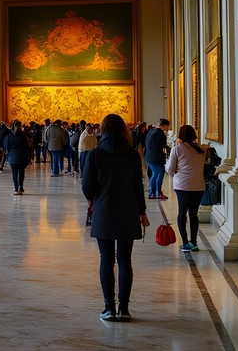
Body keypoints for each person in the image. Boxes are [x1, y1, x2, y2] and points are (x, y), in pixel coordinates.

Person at [81, 113, 149, 322]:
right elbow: (138, 186)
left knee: (106, 260)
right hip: (128, 210)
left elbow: (87, 187)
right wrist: (142, 212)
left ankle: (109, 308)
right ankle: (125, 309)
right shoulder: (131, 155)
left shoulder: (95, 154)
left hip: (104, 210)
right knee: (125, 261)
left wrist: (94, 198)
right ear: (123, 130)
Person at [165, 125, 207, 252]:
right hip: (199, 185)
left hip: (182, 186)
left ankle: (185, 242)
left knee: (182, 212)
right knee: (193, 213)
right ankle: (193, 242)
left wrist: (175, 172)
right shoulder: (201, 149)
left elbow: (170, 169)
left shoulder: (178, 149)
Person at [144, 119, 171, 199]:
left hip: (149, 156)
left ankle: (154, 192)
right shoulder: (160, 133)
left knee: (155, 173)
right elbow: (162, 145)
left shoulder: (151, 131)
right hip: (156, 157)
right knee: (158, 173)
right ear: (165, 125)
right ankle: (156, 192)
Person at [3, 120, 32, 195]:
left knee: (14, 173)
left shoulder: (9, 137)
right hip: (22, 157)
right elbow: (27, 147)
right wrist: (29, 157)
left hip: (12, 158)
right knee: (21, 173)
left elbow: (6, 148)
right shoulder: (24, 136)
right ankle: (21, 187)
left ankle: (16, 189)